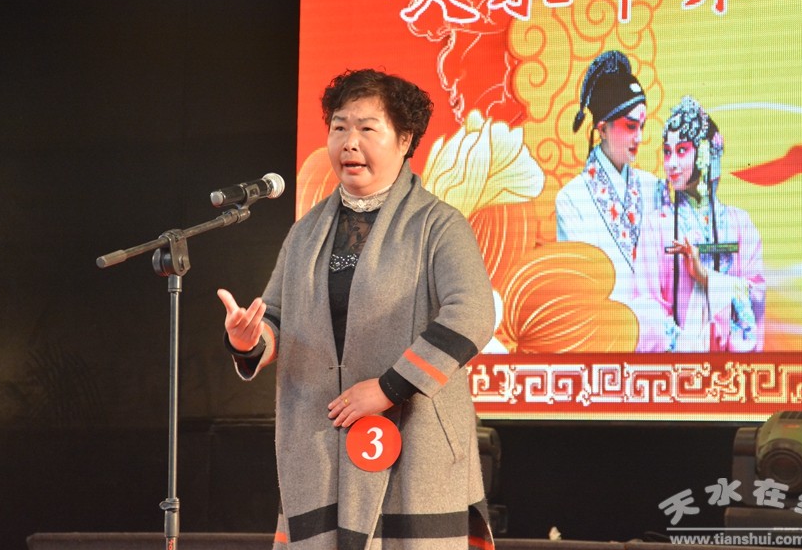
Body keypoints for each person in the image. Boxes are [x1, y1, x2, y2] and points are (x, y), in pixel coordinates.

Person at [217, 68, 497, 549]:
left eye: (367, 128)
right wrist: (250, 341)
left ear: (405, 139)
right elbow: (276, 320)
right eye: (339, 127)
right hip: (323, 445)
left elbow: (472, 312)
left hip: (414, 443)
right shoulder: (306, 232)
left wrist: (389, 387)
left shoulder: (438, 225)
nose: (349, 142)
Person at [633, 96, 765, 352]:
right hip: (676, 364)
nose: (671, 163)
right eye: (667, 152)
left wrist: (705, 277)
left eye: (682, 150)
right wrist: (687, 346)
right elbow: (646, 306)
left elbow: (756, 299)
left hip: (730, 365)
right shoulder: (656, 226)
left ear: (704, 152)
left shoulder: (741, 224)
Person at [555, 50, 662, 304]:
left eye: (642, 126)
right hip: (605, 324)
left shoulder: (653, 187)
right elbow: (580, 286)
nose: (639, 137)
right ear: (602, 129)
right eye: (630, 126)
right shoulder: (571, 199)